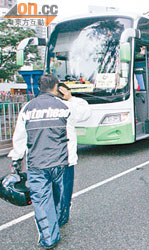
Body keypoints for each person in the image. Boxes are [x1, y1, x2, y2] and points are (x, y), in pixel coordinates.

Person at [8, 75, 91, 249]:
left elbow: (20, 136)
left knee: (42, 200)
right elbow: (85, 114)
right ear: (56, 87)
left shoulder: (27, 108)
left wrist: (17, 157)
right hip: (63, 162)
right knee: (62, 195)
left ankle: (49, 237)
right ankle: (60, 219)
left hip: (37, 164)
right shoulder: (65, 105)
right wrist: (71, 97)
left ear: (39, 87)